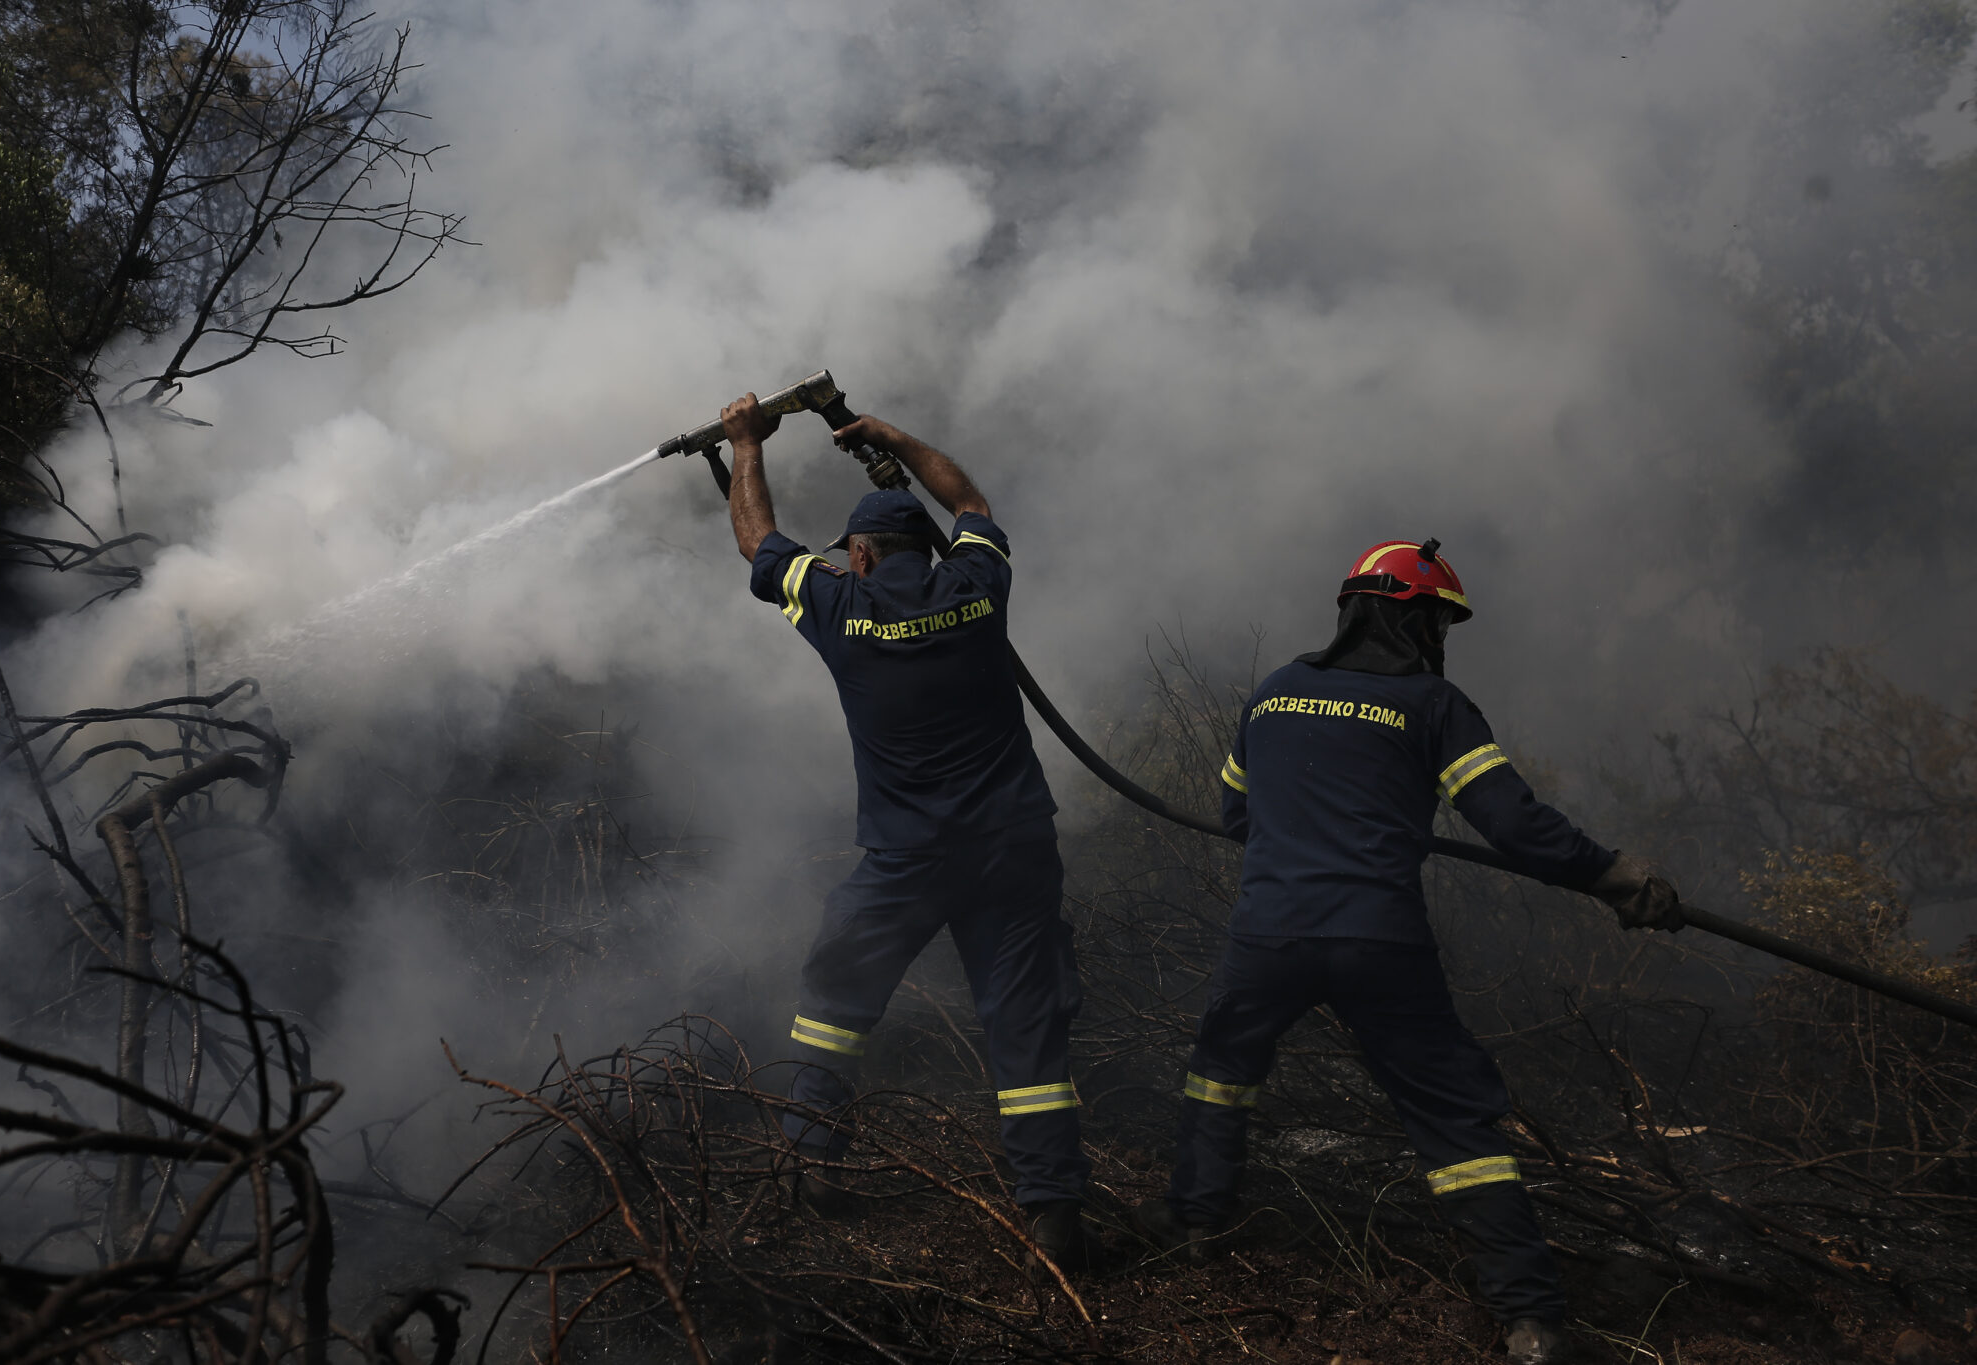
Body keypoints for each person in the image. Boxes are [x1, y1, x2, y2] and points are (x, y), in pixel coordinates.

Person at [1132, 538, 1683, 1365]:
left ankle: (1196, 1221)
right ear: (1411, 618)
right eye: (1439, 622)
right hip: (1375, 937)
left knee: (1222, 1066)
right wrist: (1614, 875)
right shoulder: (1434, 705)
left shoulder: (1276, 692)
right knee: (1449, 1116)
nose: (1442, 640)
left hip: (1269, 935)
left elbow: (1237, 816)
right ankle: (1530, 1321)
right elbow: (1512, 824)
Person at [718, 393, 1093, 1267]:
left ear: (857, 553)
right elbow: (970, 504)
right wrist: (889, 436)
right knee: (1027, 1028)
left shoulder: (841, 608)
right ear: (925, 551)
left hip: (906, 860)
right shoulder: (976, 586)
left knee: (838, 1002)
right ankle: (1056, 1215)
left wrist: (744, 445)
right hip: (1012, 849)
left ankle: (811, 1161)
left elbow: (756, 541)